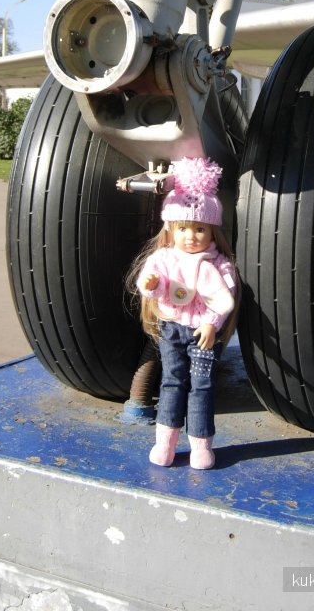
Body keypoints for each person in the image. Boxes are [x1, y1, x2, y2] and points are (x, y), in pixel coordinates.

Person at [134, 157, 238, 470]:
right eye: (183, 228)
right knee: (171, 381)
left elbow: (225, 294)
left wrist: (212, 324)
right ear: (171, 229)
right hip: (171, 328)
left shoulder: (218, 264)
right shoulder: (164, 258)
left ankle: (200, 446)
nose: (190, 236)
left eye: (199, 228)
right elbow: (152, 284)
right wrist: (151, 285)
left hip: (203, 333)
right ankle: (165, 442)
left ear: (212, 231)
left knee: (202, 386)